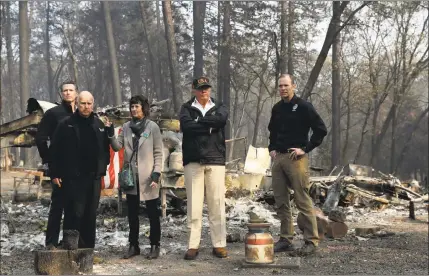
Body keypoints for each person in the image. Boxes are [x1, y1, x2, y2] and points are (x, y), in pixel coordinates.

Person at [268, 74, 327, 256]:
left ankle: (311, 241)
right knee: (281, 201)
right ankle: (286, 239)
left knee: (302, 199)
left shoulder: (303, 107)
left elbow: (321, 129)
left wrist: (306, 148)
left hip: (296, 159)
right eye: (280, 86)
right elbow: (272, 130)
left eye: (286, 85)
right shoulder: (277, 108)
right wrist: (271, 148)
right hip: (279, 158)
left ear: (293, 86)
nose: (283, 89)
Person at [49, 91, 111, 249]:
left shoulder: (99, 124)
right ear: (76, 103)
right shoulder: (66, 124)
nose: (86, 107)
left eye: (89, 103)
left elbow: (105, 148)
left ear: (93, 104)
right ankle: (70, 248)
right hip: (73, 177)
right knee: (73, 213)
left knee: (90, 215)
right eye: (83, 103)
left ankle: (87, 250)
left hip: (93, 177)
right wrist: (54, 173)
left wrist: (102, 168)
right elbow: (55, 150)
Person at [107, 95, 163, 259]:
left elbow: (159, 152)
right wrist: (111, 134)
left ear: (144, 108)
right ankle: (133, 246)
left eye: (136, 106)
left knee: (153, 212)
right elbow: (117, 147)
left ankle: (154, 245)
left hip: (148, 177)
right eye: (131, 107)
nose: (133, 109)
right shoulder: (126, 127)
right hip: (131, 176)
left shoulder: (152, 127)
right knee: (132, 213)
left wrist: (157, 172)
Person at [179, 76, 229, 260]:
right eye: (200, 88)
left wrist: (199, 122)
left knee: (216, 203)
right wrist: (209, 125)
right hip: (193, 160)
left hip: (215, 159)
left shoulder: (220, 106)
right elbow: (187, 127)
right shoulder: (186, 108)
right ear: (194, 90)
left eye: (206, 88)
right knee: (194, 205)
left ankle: (219, 244)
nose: (204, 91)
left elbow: (221, 121)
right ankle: (193, 245)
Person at [35, 79, 78, 249]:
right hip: (59, 168)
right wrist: (49, 162)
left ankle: (68, 242)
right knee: (58, 205)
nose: (68, 92)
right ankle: (51, 242)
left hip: (78, 169)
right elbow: (40, 138)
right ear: (61, 93)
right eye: (65, 90)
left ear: (76, 93)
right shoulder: (53, 113)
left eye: (71, 90)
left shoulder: (81, 113)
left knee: (74, 206)